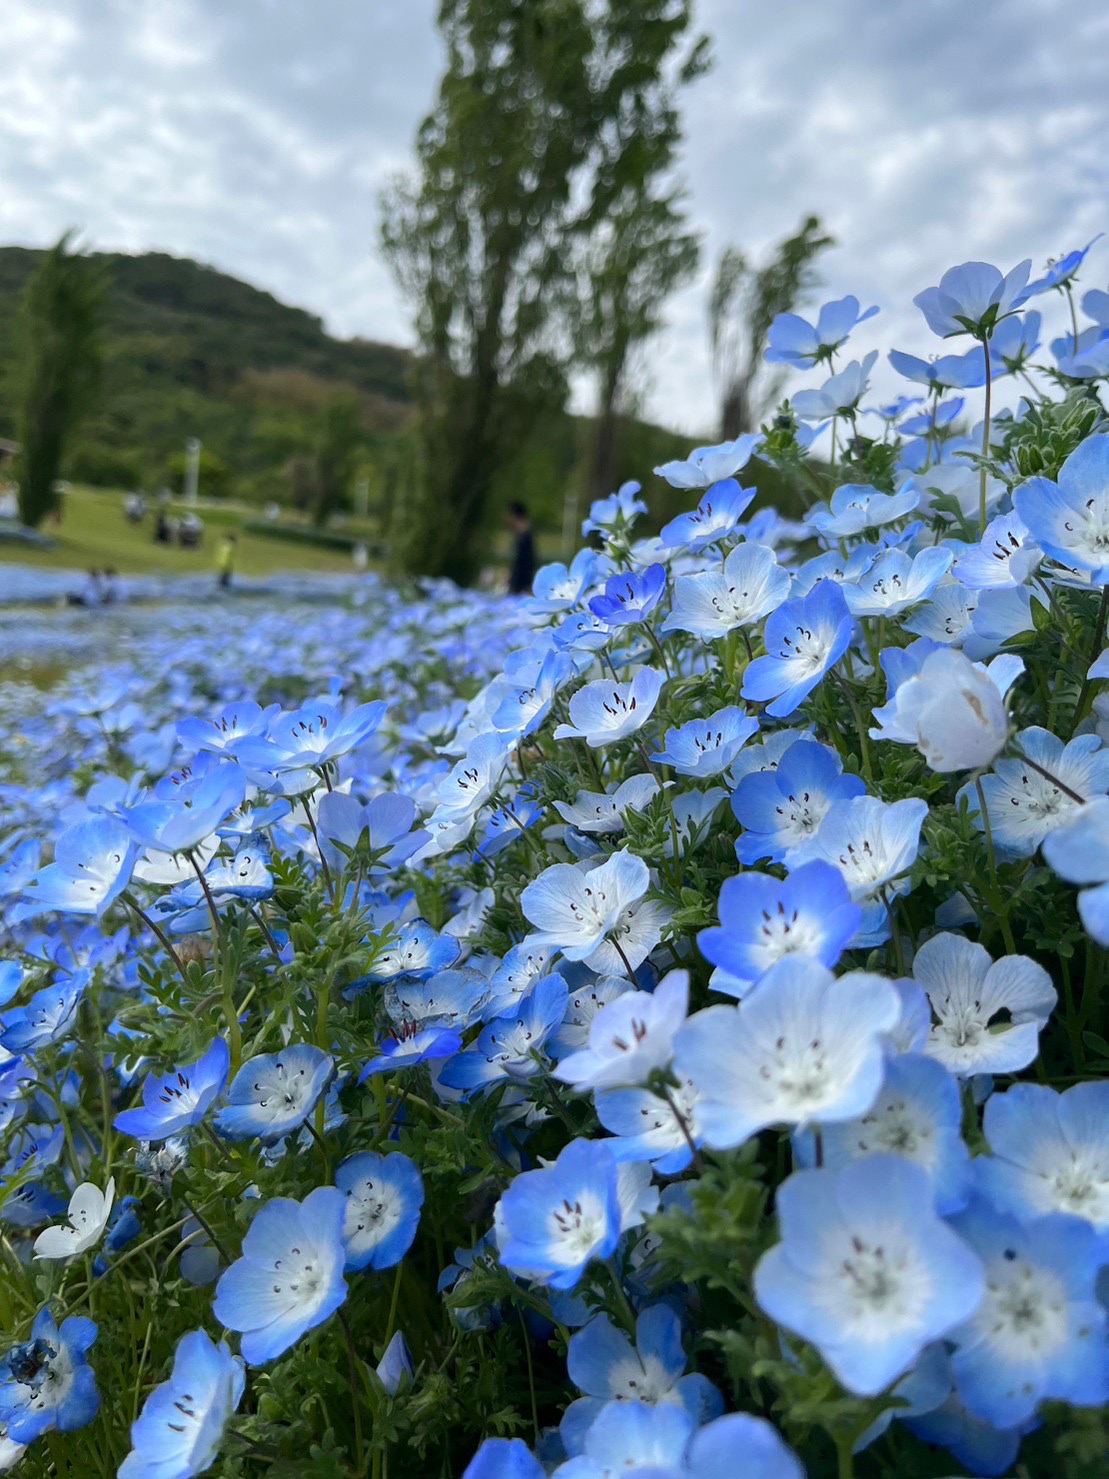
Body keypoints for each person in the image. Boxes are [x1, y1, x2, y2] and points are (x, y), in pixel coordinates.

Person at [506, 501, 536, 596]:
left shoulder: (524, 533)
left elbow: (526, 559)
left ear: (514, 515)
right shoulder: (523, 532)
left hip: (522, 579)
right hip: (520, 576)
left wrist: (526, 583)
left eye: (509, 514)